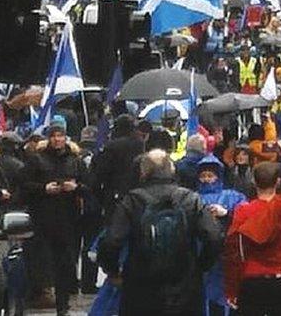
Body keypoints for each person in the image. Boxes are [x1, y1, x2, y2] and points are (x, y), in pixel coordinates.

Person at [98, 149, 222, 316]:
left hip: (140, 285)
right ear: (171, 169)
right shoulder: (190, 199)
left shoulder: (133, 200)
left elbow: (112, 240)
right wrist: (201, 266)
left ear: (143, 171)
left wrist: (112, 270)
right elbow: (213, 236)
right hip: (185, 285)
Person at [223, 140, 281, 316]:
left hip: (253, 278)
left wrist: (232, 289)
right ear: (278, 182)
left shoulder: (243, 211)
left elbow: (234, 252)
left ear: (254, 182)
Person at [24, 123, 88, 316]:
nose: (57, 140)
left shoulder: (75, 161)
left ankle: (63, 304)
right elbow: (25, 185)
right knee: (44, 261)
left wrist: (75, 187)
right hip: (43, 219)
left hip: (68, 220)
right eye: (54, 136)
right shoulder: (37, 160)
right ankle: (41, 294)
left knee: (65, 263)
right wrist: (44, 189)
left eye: (60, 136)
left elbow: (88, 185)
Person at [196, 155, 248, 316]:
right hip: (201, 255)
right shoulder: (192, 197)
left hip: (226, 256)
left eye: (210, 175)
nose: (206, 179)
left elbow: (246, 216)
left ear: (218, 176)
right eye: (203, 176)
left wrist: (226, 213)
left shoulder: (233, 196)